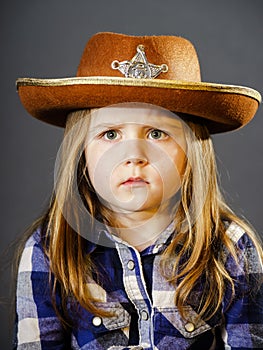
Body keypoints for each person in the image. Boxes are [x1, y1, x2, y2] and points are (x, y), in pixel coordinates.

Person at [14, 32, 263, 349]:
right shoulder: (50, 249)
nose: (132, 155)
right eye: (110, 134)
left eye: (158, 133)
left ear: (192, 153)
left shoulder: (230, 247)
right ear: (82, 152)